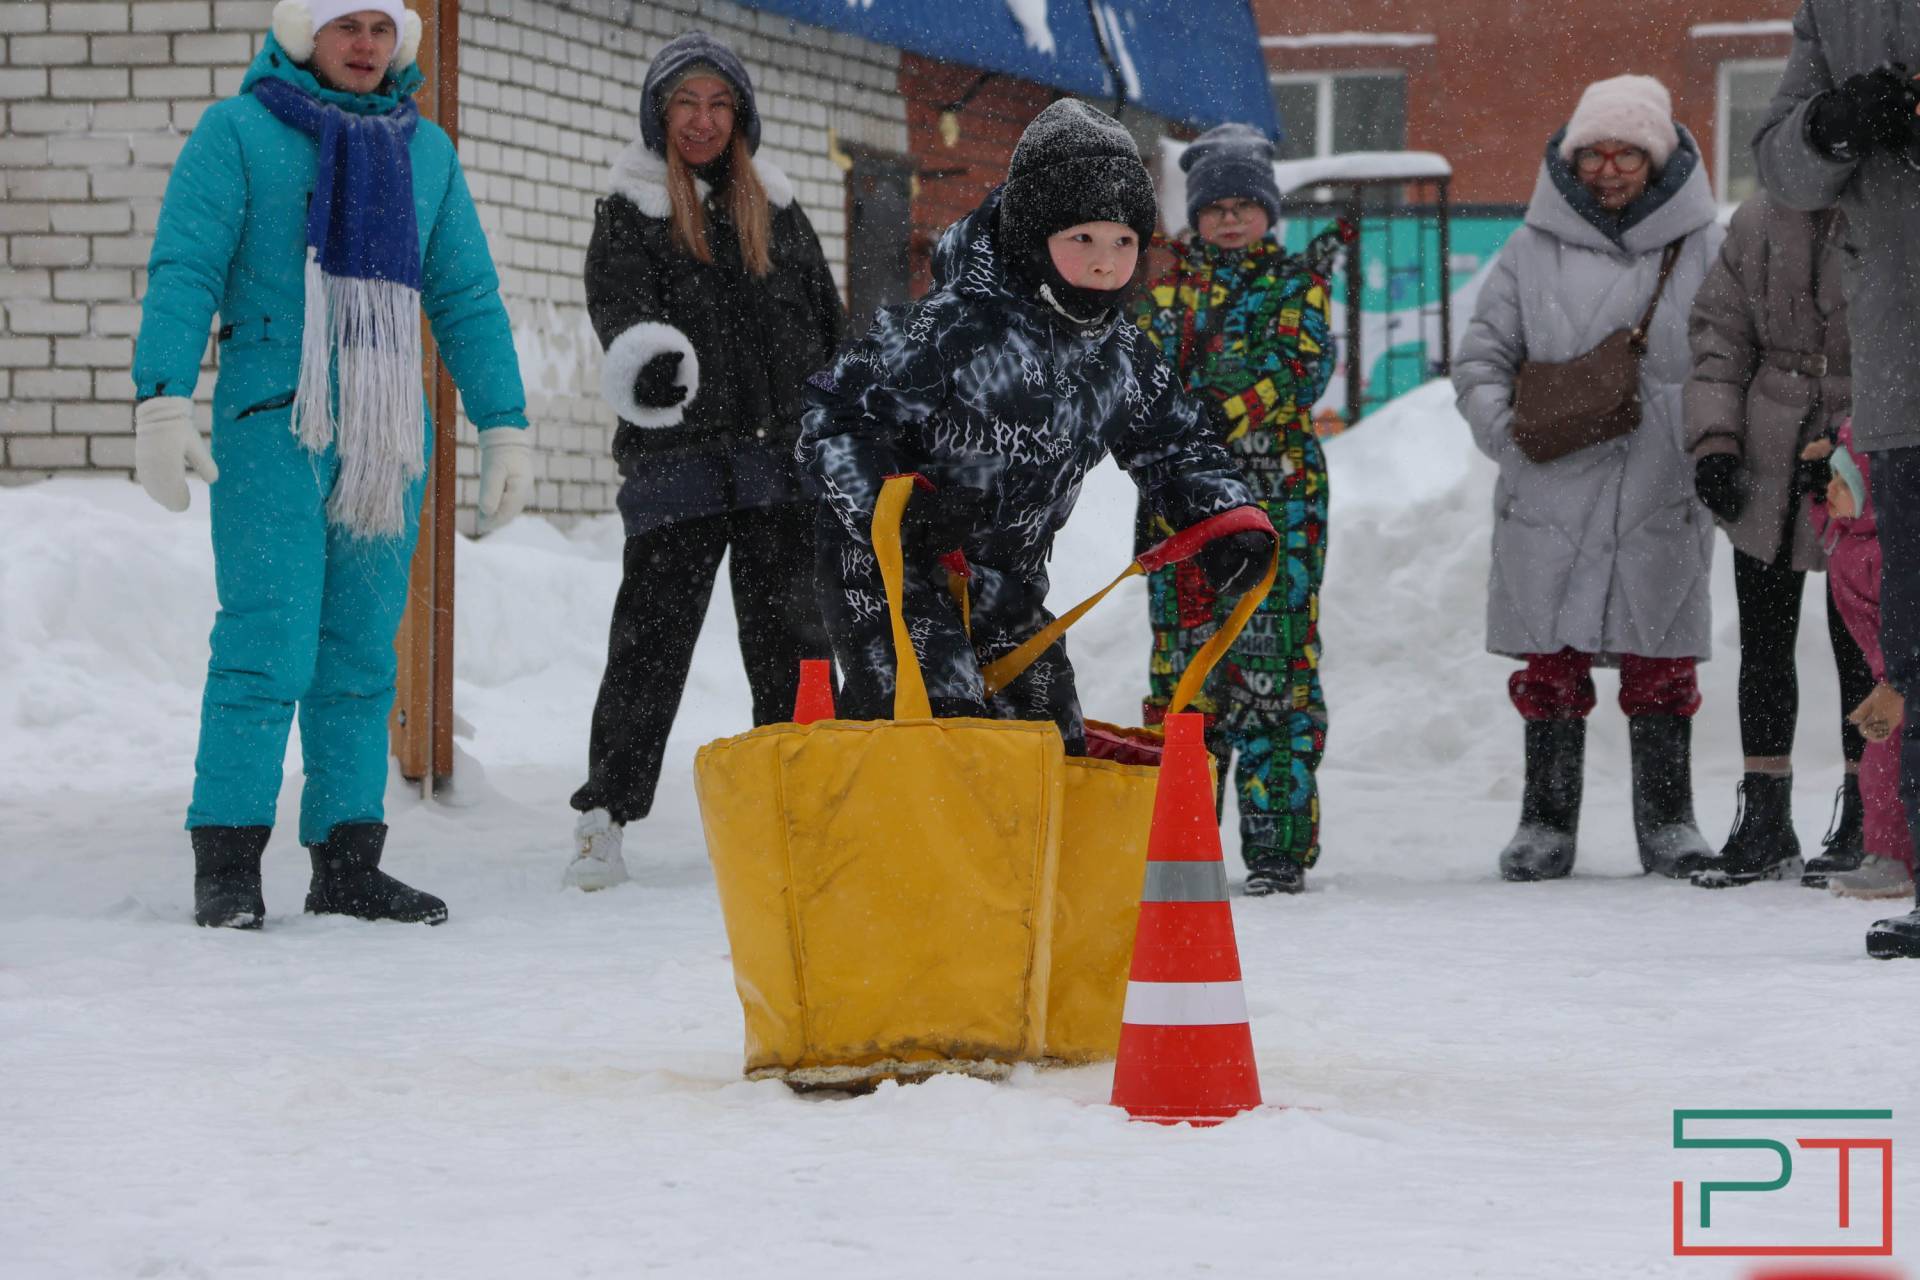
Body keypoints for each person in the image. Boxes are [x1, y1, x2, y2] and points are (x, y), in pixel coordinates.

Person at [132, 0, 533, 929]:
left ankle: (349, 862)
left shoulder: (425, 153)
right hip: (273, 421)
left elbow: (467, 295)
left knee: (359, 650)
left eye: (381, 28)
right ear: (305, 32)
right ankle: (228, 863)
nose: (364, 45)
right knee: (267, 643)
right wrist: (162, 398)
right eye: (346, 24)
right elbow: (186, 267)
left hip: (386, 434)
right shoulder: (240, 132)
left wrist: (503, 423)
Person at [800, 100, 1272, 757]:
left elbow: (1176, 442)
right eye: (1082, 240)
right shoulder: (948, 329)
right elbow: (834, 420)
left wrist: (1224, 516)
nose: (1105, 263)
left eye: (1123, 242)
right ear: (1033, 237)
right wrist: (895, 506)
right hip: (890, 574)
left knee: (1045, 743)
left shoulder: (1121, 356)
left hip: (1008, 586)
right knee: (940, 731)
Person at [565, 31, 843, 890]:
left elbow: (826, 327)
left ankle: (808, 811)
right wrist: (646, 360)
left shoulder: (778, 209)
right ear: (659, 113)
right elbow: (618, 308)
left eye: (720, 104)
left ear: (741, 117)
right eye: (686, 102)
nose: (702, 120)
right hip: (677, 469)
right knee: (649, 648)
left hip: (776, 472)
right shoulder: (632, 209)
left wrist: (839, 417)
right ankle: (605, 817)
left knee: (795, 648)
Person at [1454, 75, 1723, 882]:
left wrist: (1715, 447)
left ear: (1659, 159)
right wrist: (1509, 441)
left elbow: (1731, 359)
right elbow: (1480, 361)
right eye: (1593, 154)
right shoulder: (1529, 249)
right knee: (1551, 665)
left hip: (1661, 485)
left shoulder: (1706, 248)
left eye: (1627, 154)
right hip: (1550, 489)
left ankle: (1669, 821)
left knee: (1661, 664)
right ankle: (1545, 821)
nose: (1608, 170)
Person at [1132, 123, 1348, 895]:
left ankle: (1277, 851)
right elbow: (1141, 378)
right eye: (1214, 207)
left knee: (1273, 668)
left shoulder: (1297, 285)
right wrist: (1169, 431)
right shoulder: (1167, 291)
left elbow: (1298, 368)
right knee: (1186, 673)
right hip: (1182, 509)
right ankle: (1180, 849)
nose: (1229, 219)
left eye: (1243, 206)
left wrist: (1214, 416)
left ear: (1268, 213)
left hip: (1278, 503)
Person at [1753, 0, 1920, 957]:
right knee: (1914, 646)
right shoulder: (1839, 6)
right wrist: (1834, 124)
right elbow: (1778, 162)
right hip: (1902, 373)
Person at [1684, 192, 1873, 889]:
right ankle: (1764, 816)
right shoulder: (1759, 221)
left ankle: (1869, 813)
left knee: (1863, 643)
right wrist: (1716, 443)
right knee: (1764, 641)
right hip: (1768, 449)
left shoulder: (1893, 208)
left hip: (1866, 442)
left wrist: (1864, 442)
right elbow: (1719, 340)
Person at [1806, 424, 1917, 899]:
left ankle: (1893, 859)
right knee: (1883, 762)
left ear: (1872, 492)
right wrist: (1820, 469)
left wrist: (1898, 681)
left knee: (1889, 764)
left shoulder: (1889, 551)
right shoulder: (1847, 534)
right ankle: (1890, 855)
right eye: (1830, 479)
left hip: (1904, 675)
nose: (1830, 490)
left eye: (1843, 481)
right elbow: (1824, 517)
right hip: (1891, 674)